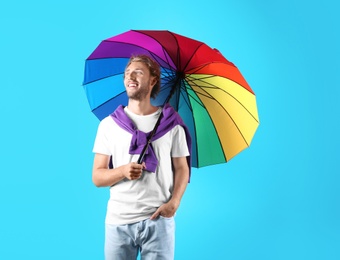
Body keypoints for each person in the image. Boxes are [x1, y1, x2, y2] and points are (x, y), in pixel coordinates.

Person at [92, 54, 191, 260]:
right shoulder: (108, 125)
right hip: (118, 221)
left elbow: (182, 168)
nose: (130, 77)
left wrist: (175, 202)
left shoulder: (171, 124)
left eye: (138, 72)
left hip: (158, 221)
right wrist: (122, 171)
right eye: (127, 73)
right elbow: (97, 177)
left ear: (153, 80)